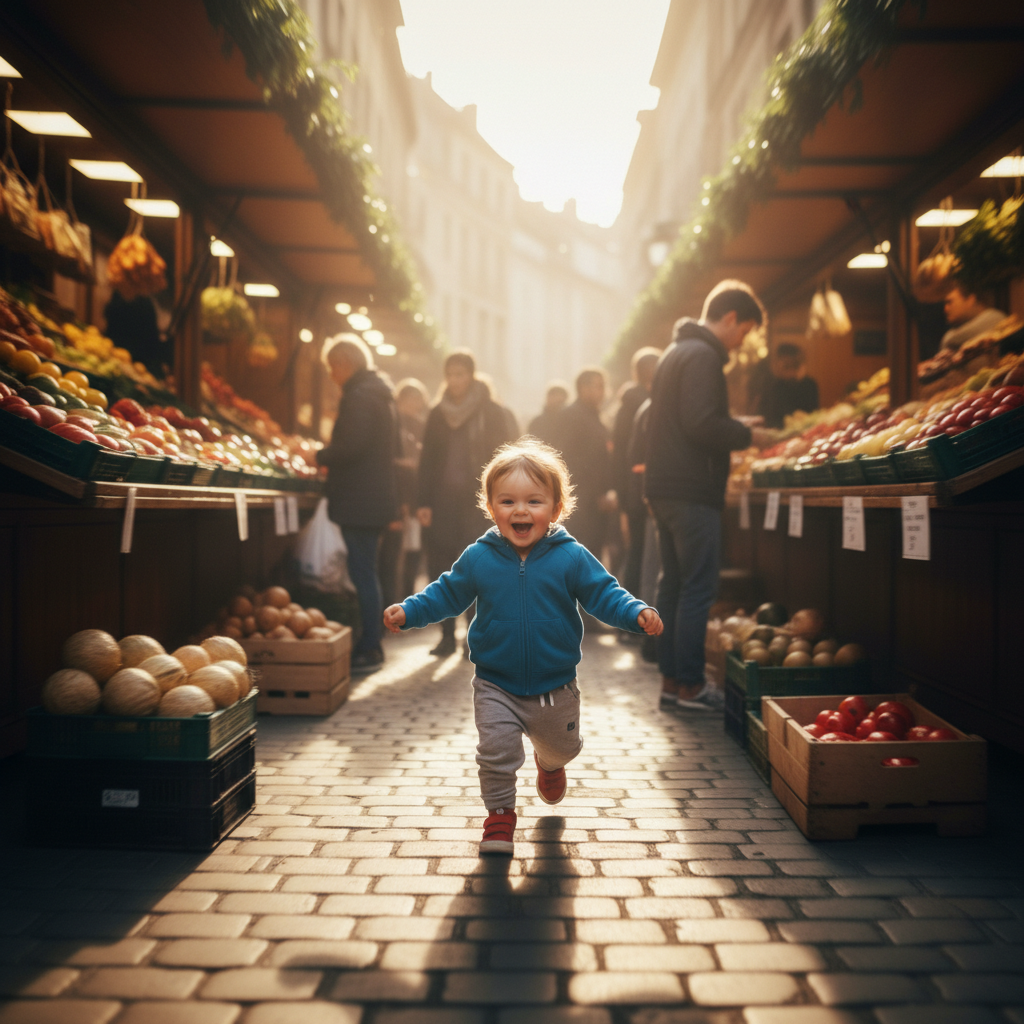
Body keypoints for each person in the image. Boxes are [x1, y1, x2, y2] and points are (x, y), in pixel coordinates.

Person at [383, 439, 663, 855]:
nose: (520, 511)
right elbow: (447, 593)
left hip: (556, 685)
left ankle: (549, 764)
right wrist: (410, 611)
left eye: (534, 501)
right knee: (495, 750)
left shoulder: (571, 557)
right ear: (491, 506)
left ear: (556, 507)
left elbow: (605, 593)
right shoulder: (479, 557)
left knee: (561, 748)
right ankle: (499, 816)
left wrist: (634, 612)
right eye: (507, 501)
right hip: (496, 682)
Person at [644, 280, 774, 711]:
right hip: (691, 491)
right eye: (746, 330)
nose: (744, 341)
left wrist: (733, 422)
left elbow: (686, 419)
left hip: (665, 487)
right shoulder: (702, 356)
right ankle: (692, 686)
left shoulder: (675, 352)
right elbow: (701, 424)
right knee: (697, 590)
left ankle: (669, 682)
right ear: (731, 318)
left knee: (673, 587)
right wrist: (747, 433)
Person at [417, 350, 518, 657]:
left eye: (460, 374)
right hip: (442, 500)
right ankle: (446, 635)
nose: (455, 380)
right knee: (441, 568)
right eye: (450, 374)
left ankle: (473, 637)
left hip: (478, 503)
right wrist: (423, 501)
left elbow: (506, 457)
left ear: (471, 376)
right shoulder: (437, 413)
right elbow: (427, 460)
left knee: (477, 567)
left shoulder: (492, 411)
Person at [316, 335, 399, 675]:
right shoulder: (376, 393)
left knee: (363, 572)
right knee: (367, 571)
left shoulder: (360, 397)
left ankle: (370, 646)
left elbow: (352, 446)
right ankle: (372, 641)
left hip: (360, 499)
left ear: (345, 363)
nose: (332, 375)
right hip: (372, 497)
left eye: (332, 368)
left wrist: (319, 455)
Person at [612, 347, 661, 600]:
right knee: (640, 552)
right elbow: (623, 453)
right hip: (638, 487)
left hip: (632, 487)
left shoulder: (632, 404)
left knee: (638, 551)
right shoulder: (642, 404)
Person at [378, 378, 430, 607]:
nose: (417, 405)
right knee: (392, 554)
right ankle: (392, 602)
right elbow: (390, 460)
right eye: (413, 400)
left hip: (413, 497)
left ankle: (406, 600)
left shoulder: (421, 425)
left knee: (411, 553)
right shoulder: (392, 423)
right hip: (395, 497)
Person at [552, 368, 614, 559]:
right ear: (582, 388)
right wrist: (596, 493)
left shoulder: (595, 416)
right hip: (580, 501)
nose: (602, 392)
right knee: (578, 554)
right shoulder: (571, 416)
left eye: (603, 386)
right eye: (598, 386)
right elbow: (569, 458)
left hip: (595, 502)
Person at [760, 343, 820, 428]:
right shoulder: (774, 387)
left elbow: (814, 415)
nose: (791, 371)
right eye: (786, 366)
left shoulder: (810, 384)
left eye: (795, 366)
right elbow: (771, 419)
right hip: (778, 434)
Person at [940, 284, 1006, 352]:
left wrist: (947, 339)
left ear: (970, 300)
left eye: (949, 302)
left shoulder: (996, 318)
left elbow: (951, 339)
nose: (945, 309)